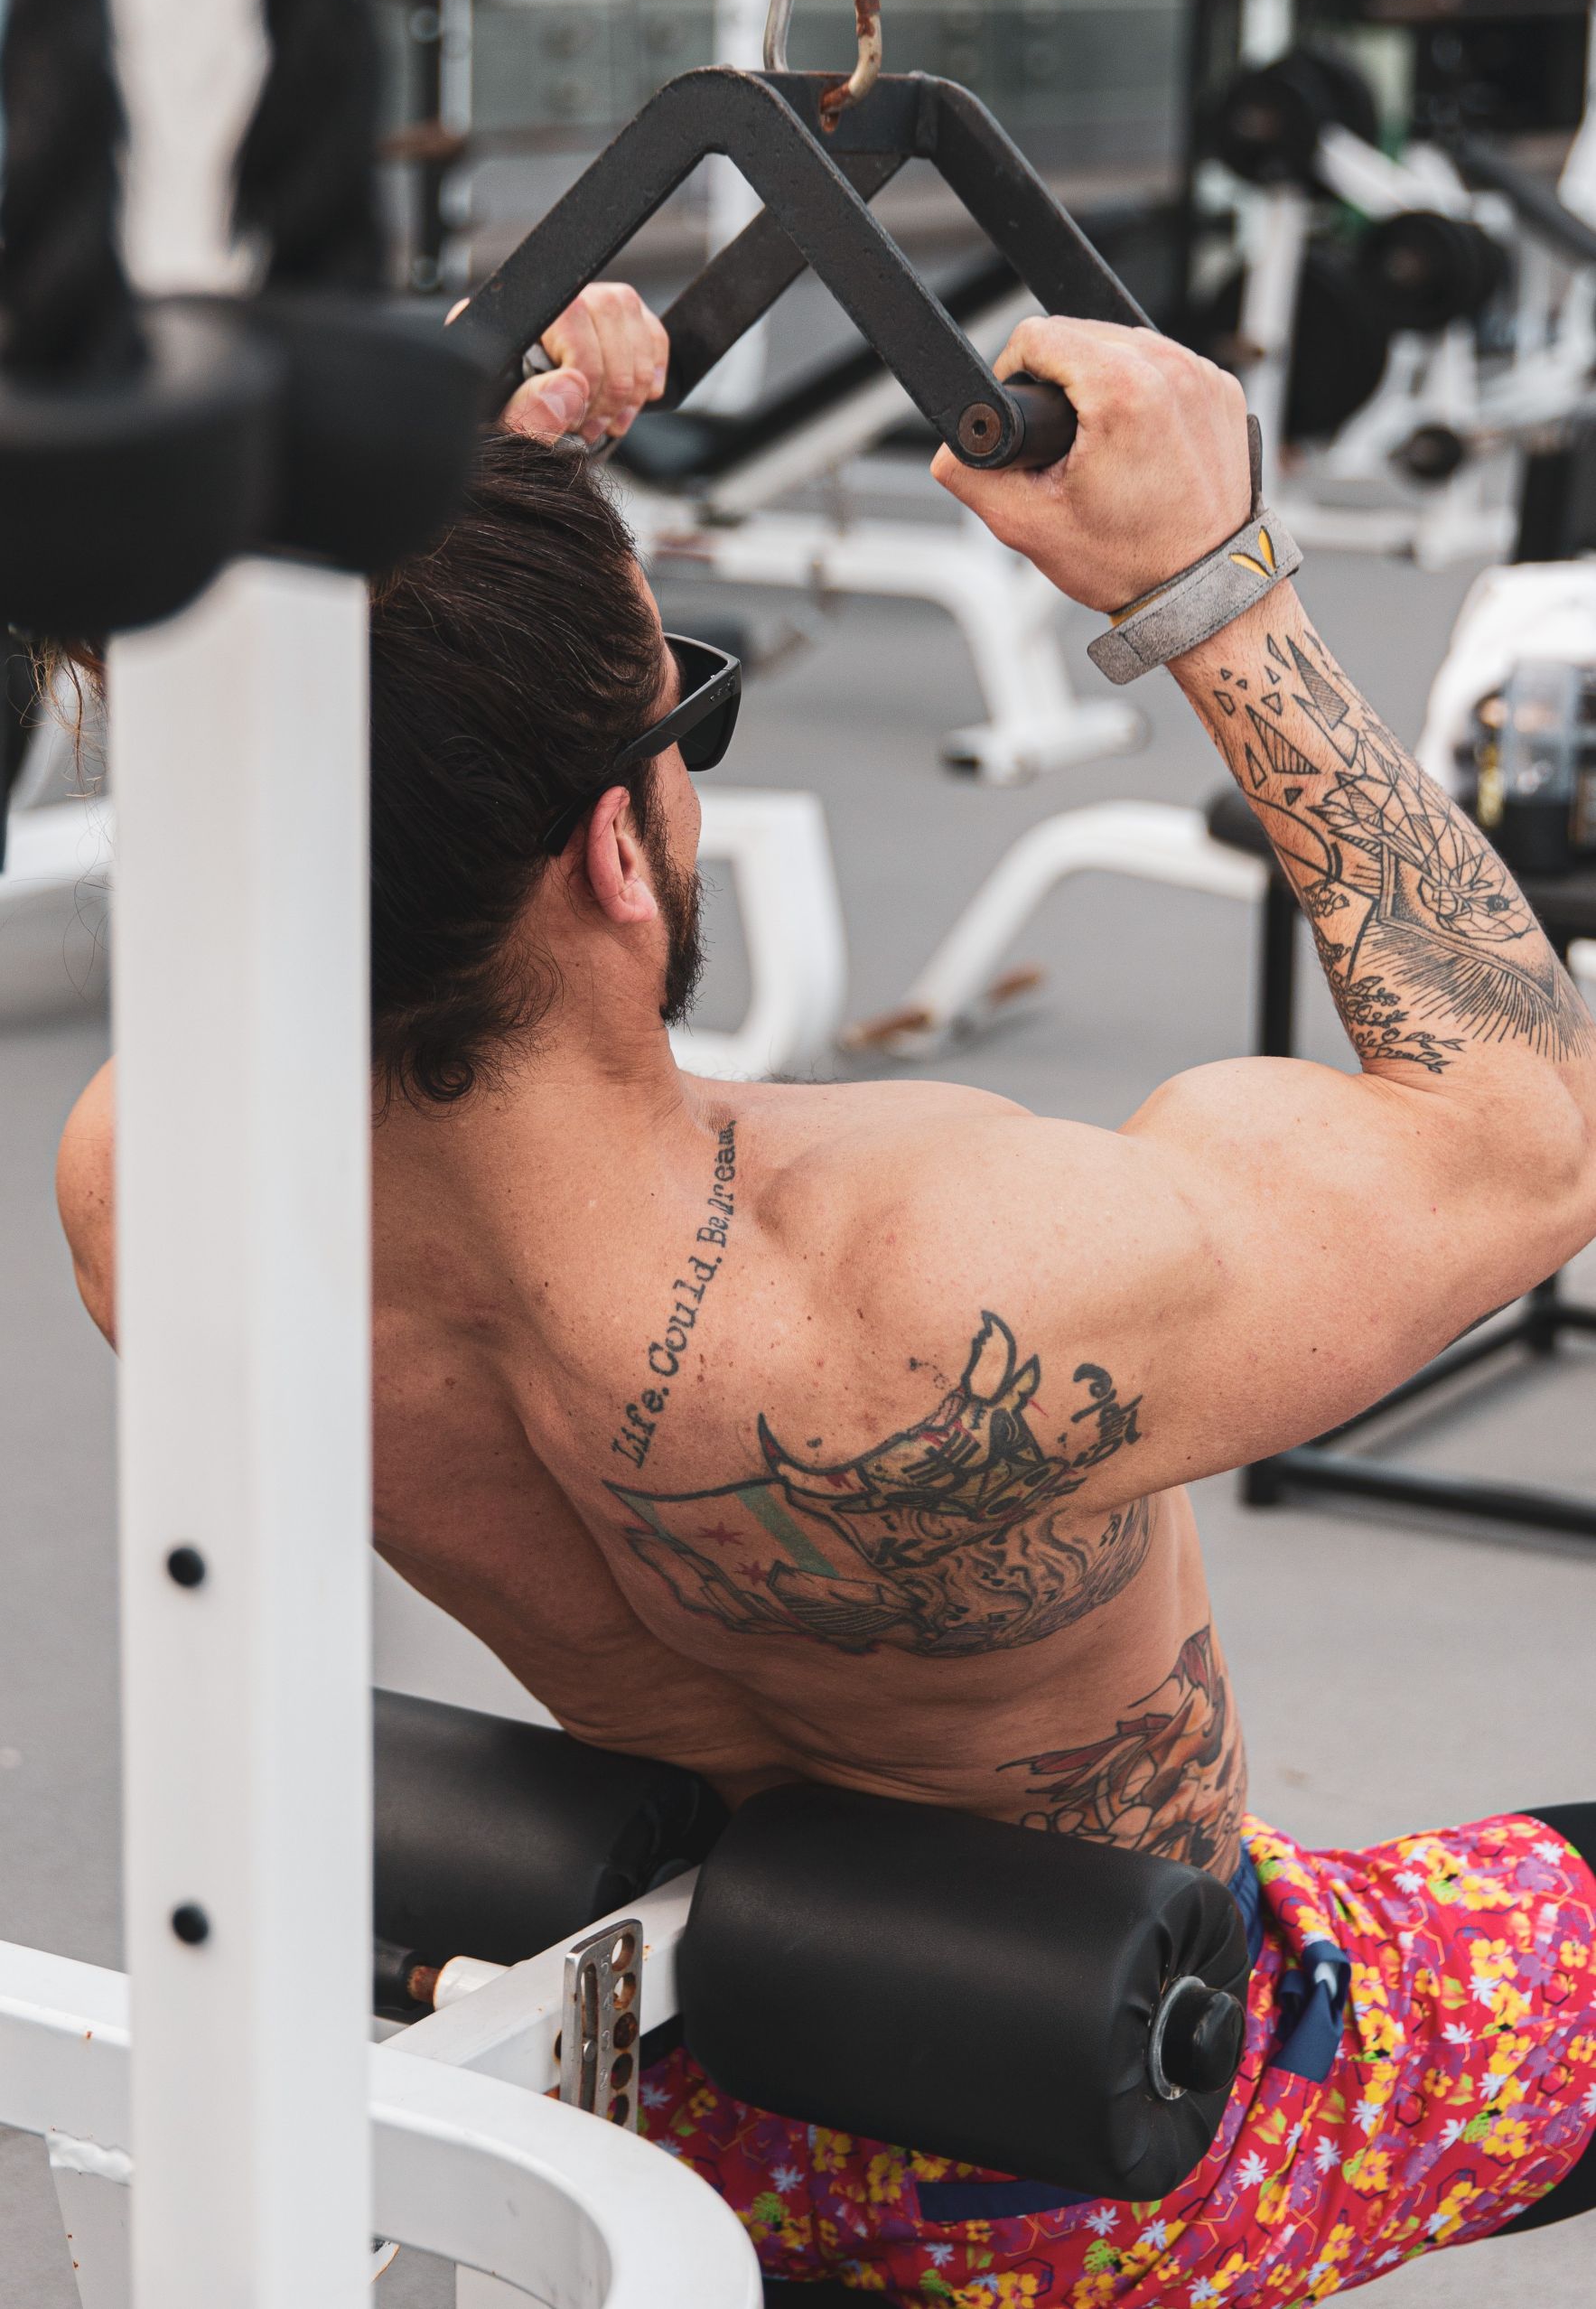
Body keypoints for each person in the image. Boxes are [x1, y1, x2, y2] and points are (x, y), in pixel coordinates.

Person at [56, 287, 1596, 2304]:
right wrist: (1215, 590)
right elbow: (1521, 1137)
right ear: (618, 851)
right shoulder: (931, 1276)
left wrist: (479, 519)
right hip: (1110, 2157)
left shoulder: (152, 1178)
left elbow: (363, 777)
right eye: (683, 716)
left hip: (697, 2108)